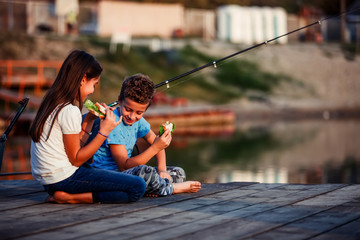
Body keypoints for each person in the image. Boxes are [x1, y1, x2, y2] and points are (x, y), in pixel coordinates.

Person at [29, 50, 146, 204]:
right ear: (83, 79)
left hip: (49, 180)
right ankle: (71, 198)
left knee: (104, 174)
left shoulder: (52, 102)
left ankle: (69, 193)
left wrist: (90, 119)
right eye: (94, 84)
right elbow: (76, 160)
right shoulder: (69, 110)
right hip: (64, 178)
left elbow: (76, 148)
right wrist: (104, 131)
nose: (92, 91)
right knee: (138, 186)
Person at [90, 73, 201, 196]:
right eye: (128, 109)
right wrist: (155, 148)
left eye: (139, 112)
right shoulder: (114, 123)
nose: (132, 116)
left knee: (177, 173)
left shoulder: (139, 122)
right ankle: (172, 189)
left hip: (128, 173)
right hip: (110, 176)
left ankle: (156, 187)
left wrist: (162, 170)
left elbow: (156, 142)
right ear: (119, 100)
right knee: (145, 172)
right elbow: (124, 166)